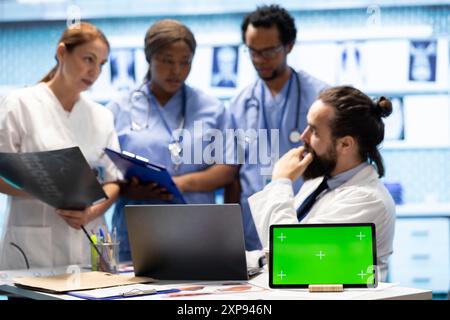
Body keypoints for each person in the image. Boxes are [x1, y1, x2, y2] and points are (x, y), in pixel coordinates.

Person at [107, 19, 237, 262]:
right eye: (167, 60)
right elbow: (103, 172)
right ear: (149, 58)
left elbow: (226, 169)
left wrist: (178, 184)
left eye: (185, 62)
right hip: (137, 227)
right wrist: (128, 187)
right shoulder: (119, 110)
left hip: (197, 228)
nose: (176, 70)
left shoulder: (212, 109)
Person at [0, 22, 120, 269]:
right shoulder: (19, 104)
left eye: (101, 64)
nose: (94, 71)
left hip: (88, 247)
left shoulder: (101, 116)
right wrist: (49, 192)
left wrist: (91, 212)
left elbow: (114, 181)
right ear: (62, 52)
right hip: (32, 250)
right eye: (88, 59)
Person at [248, 86, 396, 281]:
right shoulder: (319, 183)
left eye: (314, 131)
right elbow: (273, 253)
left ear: (345, 144)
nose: (303, 136)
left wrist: (280, 182)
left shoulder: (368, 200)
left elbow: (290, 257)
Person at [226, 5, 329, 251]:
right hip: (253, 227)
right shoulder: (239, 103)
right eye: (252, 51)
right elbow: (233, 176)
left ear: (289, 46)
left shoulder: (320, 97)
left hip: (307, 219)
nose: (260, 60)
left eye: (269, 51)